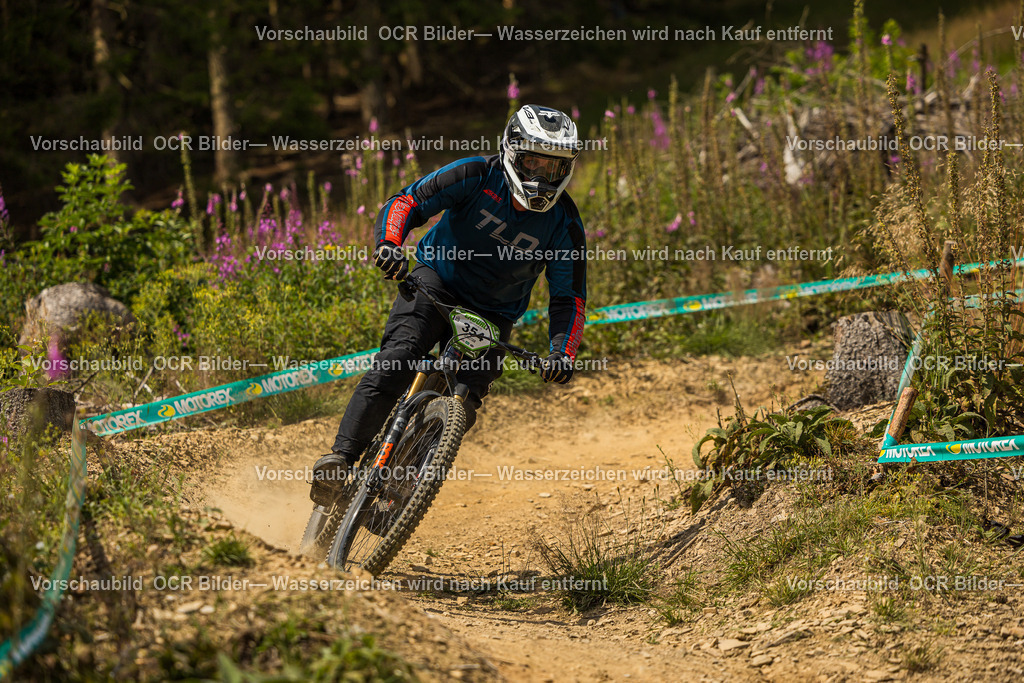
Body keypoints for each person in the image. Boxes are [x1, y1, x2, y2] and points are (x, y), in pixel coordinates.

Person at [310, 104, 588, 505]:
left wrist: (562, 353)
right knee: (398, 359)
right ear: (512, 153)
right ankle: (342, 459)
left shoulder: (565, 224)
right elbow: (408, 202)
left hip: (494, 314)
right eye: (533, 162)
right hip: (436, 283)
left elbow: (569, 297)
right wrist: (389, 245)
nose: (542, 177)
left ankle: (403, 488)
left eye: (554, 167)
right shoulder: (475, 174)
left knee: (465, 401)